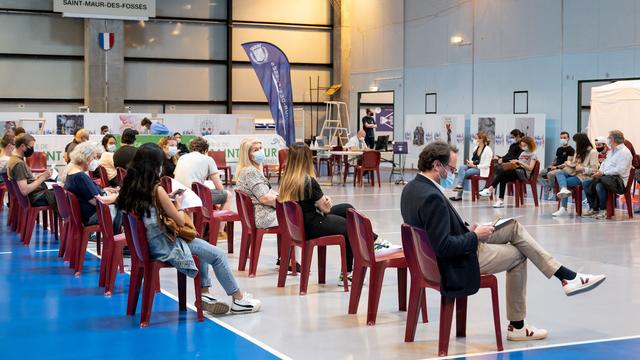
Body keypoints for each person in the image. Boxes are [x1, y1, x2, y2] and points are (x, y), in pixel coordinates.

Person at [400, 141, 606, 341]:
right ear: (437, 165)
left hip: (433, 259)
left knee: (513, 226)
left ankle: (566, 277)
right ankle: (519, 324)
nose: (453, 174)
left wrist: (469, 229)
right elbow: (443, 246)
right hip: (456, 261)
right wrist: (474, 236)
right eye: (451, 169)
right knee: (518, 255)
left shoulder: (412, 189)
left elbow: (436, 233)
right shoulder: (432, 197)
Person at [116, 143, 261, 315]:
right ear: (156, 165)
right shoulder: (157, 189)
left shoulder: (129, 187)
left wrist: (166, 201)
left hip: (146, 245)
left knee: (202, 247)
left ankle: (205, 294)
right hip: (165, 245)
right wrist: (177, 203)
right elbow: (180, 220)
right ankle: (238, 299)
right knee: (218, 255)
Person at [279, 142, 388, 283]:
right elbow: (326, 209)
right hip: (313, 224)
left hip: (300, 225)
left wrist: (322, 201)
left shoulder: (287, 180)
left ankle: (375, 241)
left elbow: (308, 202)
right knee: (350, 226)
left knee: (347, 208)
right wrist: (326, 201)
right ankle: (348, 272)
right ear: (306, 158)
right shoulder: (308, 181)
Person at [174, 137, 232, 240]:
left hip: (178, 194)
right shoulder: (208, 159)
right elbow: (219, 187)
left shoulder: (182, 158)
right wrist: (219, 201)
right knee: (227, 195)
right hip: (193, 196)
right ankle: (220, 233)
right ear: (205, 150)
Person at [64, 142, 119, 228]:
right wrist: (117, 197)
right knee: (124, 208)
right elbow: (98, 201)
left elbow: (88, 193)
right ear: (85, 157)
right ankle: (114, 238)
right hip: (93, 216)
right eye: (94, 157)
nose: (96, 160)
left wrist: (104, 191)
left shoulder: (72, 174)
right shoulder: (80, 177)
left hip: (85, 214)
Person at [582, 130, 632, 219]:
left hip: (619, 181)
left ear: (613, 139)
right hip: (607, 178)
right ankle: (593, 208)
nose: (608, 140)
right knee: (586, 183)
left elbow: (620, 170)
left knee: (599, 185)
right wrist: (599, 172)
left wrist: (603, 173)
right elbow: (604, 164)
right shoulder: (611, 151)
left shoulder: (625, 152)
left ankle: (603, 210)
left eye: (609, 138)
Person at [479, 136, 538, 208]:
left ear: (530, 145)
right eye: (522, 145)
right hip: (517, 170)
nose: (523, 147)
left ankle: (490, 189)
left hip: (524, 173)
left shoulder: (533, 155)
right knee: (503, 178)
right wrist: (514, 163)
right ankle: (500, 200)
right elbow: (518, 164)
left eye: (525, 145)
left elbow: (530, 168)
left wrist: (520, 162)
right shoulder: (522, 153)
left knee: (503, 173)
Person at [552, 133, 599, 217]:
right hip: (574, 173)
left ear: (581, 142)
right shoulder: (578, 151)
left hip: (583, 176)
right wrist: (569, 164)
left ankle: (563, 207)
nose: (576, 144)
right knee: (559, 172)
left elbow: (594, 169)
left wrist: (583, 168)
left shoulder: (593, 152)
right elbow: (575, 163)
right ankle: (563, 190)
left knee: (563, 182)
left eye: (577, 142)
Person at [7, 134, 56, 207]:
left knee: (58, 193)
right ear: (23, 146)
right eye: (31, 147)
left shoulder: (14, 159)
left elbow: (24, 180)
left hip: (34, 195)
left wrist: (38, 177)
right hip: (34, 197)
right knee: (62, 195)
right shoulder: (19, 164)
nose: (32, 149)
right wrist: (43, 178)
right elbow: (24, 190)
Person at [450, 132, 493, 201]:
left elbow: (487, 165)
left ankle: (459, 194)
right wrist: (470, 163)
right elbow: (474, 159)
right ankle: (459, 186)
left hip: (481, 169)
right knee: (461, 167)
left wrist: (475, 166)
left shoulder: (488, 149)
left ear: (481, 139)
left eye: (476, 138)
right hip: (474, 166)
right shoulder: (476, 148)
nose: (475, 139)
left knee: (465, 173)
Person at [539, 132, 575, 201]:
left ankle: (554, 192)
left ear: (568, 138)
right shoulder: (559, 149)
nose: (562, 139)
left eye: (564, 138)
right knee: (540, 173)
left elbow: (567, 163)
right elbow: (556, 159)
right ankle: (547, 186)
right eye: (561, 138)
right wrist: (552, 165)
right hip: (554, 167)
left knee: (550, 174)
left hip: (563, 168)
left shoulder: (571, 150)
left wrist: (556, 167)